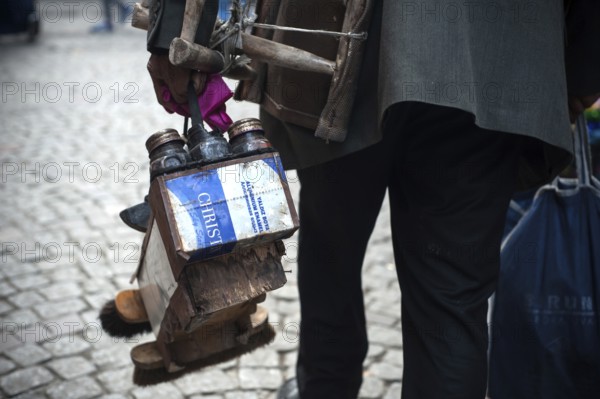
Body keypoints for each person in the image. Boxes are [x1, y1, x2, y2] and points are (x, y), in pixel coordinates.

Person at [146, 0, 600, 398]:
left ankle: (324, 387)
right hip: (489, 54)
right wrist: (583, 59)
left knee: (331, 256)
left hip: (338, 45)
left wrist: (173, 33)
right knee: (451, 302)